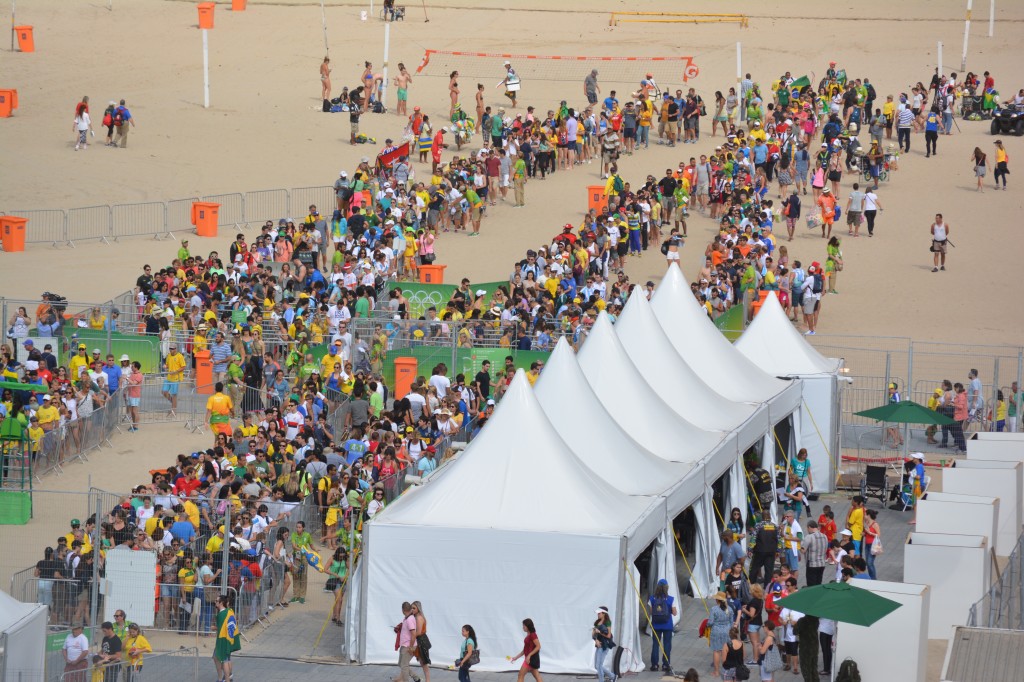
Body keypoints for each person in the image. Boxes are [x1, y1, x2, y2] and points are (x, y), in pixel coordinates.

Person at [648, 578, 676, 671]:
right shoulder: (671, 599)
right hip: (667, 625)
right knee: (667, 644)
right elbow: (675, 613)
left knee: (655, 644)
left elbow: (651, 612)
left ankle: (655, 665)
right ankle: (665, 664)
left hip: (656, 625)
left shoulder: (652, 598)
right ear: (666, 588)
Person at [213, 594, 241, 682]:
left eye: (217, 601)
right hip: (229, 639)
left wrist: (214, 628)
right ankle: (229, 676)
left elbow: (221, 628)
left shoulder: (221, 615)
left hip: (223, 640)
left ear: (221, 603)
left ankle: (225, 678)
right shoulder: (229, 611)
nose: (215, 602)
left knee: (222, 659)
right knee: (227, 658)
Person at [708, 592, 734, 678]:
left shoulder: (714, 609)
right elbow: (731, 623)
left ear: (717, 600)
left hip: (716, 632)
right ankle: (726, 670)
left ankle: (716, 672)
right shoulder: (729, 609)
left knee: (716, 651)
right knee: (725, 651)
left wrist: (707, 625)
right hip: (727, 632)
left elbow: (710, 622)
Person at [511, 618, 543, 682]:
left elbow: (538, 646)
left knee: (520, 675)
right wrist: (516, 657)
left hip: (529, 659)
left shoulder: (533, 635)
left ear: (528, 626)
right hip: (529, 659)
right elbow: (524, 650)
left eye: (524, 626)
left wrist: (529, 656)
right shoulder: (528, 635)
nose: (523, 627)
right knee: (537, 676)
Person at [394, 601, 417, 682]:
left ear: (403, 610)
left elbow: (413, 634)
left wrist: (411, 647)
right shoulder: (407, 618)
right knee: (401, 664)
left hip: (408, 646)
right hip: (404, 645)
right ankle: (416, 677)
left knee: (404, 666)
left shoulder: (409, 619)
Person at [592, 606, 616, 682]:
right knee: (597, 666)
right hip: (599, 645)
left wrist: (600, 632)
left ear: (604, 613)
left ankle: (602, 680)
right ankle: (612, 676)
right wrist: (596, 640)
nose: (598, 614)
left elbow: (608, 635)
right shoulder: (596, 622)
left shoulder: (607, 622)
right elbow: (593, 634)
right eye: (598, 613)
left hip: (605, 645)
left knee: (598, 666)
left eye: (599, 613)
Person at [803, 520, 828, 586]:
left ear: (809, 527)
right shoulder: (825, 536)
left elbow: (803, 550)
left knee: (811, 585)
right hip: (822, 564)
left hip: (812, 564)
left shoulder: (809, 537)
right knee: (818, 584)